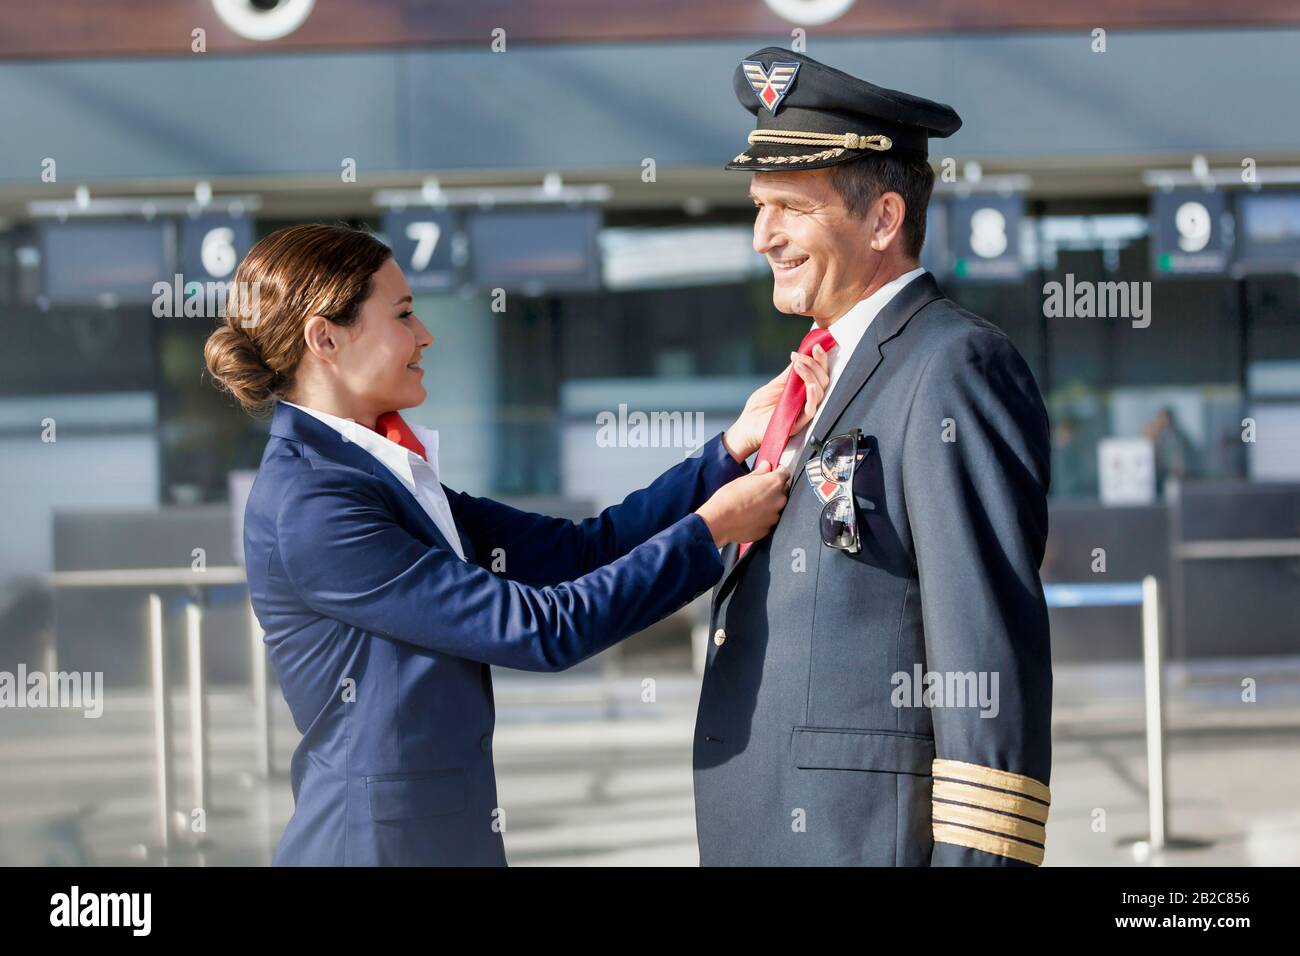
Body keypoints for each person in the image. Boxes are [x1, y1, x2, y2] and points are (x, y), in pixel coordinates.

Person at [203, 223, 829, 865]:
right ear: (324, 338)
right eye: (404, 314)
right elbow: (539, 629)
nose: (426, 335)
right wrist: (711, 531)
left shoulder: (377, 471)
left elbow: (587, 550)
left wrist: (731, 449)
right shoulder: (315, 504)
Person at [693, 48, 1054, 866]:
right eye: (759, 206)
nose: (763, 236)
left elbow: (983, 654)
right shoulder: (823, 374)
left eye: (789, 206)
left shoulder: (953, 366)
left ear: (883, 219)